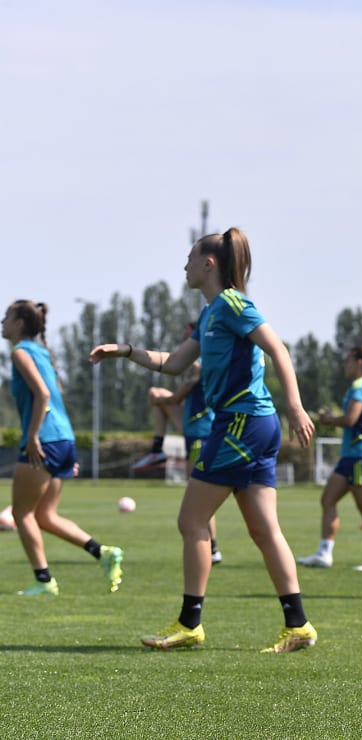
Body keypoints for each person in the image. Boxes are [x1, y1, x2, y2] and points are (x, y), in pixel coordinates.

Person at [90, 228, 318, 653]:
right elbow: (174, 363)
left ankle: (189, 623)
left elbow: (278, 349)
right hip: (249, 424)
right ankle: (298, 625)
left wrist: (297, 406)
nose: (184, 266)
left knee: (191, 521)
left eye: (190, 258)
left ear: (209, 264)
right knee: (264, 529)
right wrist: (124, 350)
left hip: (240, 424)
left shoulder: (232, 303)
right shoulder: (212, 314)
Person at [4, 300, 124, 596]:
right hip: (62, 440)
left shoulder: (20, 352)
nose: (2, 323)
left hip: (43, 441)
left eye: (5, 317)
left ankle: (44, 581)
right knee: (45, 516)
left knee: (22, 513)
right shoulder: (43, 352)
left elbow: (42, 395)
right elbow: (55, 396)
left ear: (19, 323)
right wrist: (63, 449)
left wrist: (32, 437)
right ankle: (104, 552)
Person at [298, 345, 362, 571]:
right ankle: (324, 553)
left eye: (347, 360)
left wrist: (328, 420)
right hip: (351, 457)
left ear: (358, 362)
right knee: (327, 500)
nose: (343, 364)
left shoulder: (361, 386)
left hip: (360, 456)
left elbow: (351, 419)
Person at [132, 349, 224, 564]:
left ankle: (213, 549)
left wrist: (167, 397)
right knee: (157, 396)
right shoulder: (206, 360)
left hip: (202, 432)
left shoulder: (199, 364)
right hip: (194, 428)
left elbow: (178, 396)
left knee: (200, 495)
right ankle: (157, 450)